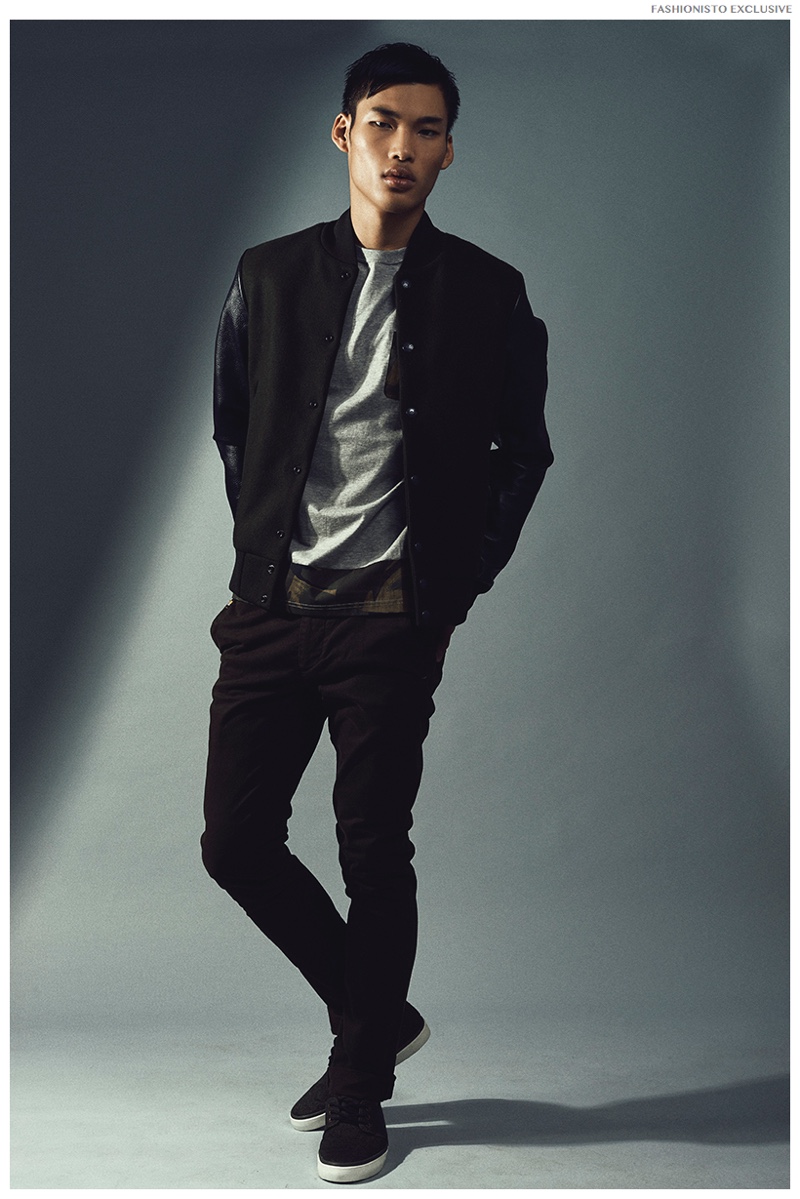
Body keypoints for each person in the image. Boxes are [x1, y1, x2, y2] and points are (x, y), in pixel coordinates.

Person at [201, 41, 553, 1184]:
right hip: (271, 607)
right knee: (234, 841)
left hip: (392, 618)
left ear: (448, 151)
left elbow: (521, 451)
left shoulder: (488, 292)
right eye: (384, 122)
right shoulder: (265, 274)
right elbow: (235, 425)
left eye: (427, 129)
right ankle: (379, 1013)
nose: (403, 147)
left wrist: (451, 585)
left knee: (371, 844)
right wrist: (270, 547)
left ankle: (360, 1077)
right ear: (343, 133)